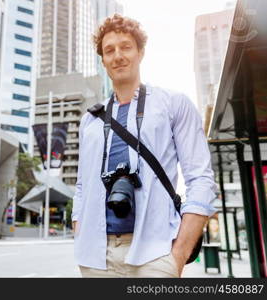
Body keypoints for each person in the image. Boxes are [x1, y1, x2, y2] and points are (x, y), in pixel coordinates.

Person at [71, 14, 217, 278]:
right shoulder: (90, 121)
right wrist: (79, 231)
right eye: (109, 50)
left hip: (156, 254)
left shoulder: (174, 104)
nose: (118, 56)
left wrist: (179, 255)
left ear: (141, 52)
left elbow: (201, 179)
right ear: (103, 60)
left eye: (126, 47)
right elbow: (82, 186)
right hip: (95, 258)